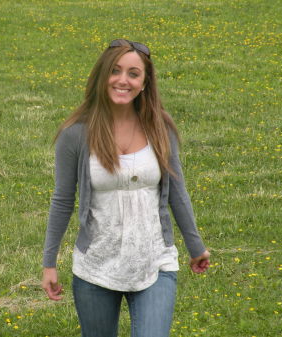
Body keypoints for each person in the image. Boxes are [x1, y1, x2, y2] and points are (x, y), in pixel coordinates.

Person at [41, 39, 210, 337]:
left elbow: (177, 192)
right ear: (102, 76)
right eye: (116, 71)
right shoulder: (76, 134)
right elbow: (63, 200)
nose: (123, 80)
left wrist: (196, 246)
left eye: (133, 74)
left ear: (144, 83)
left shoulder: (160, 127)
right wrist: (49, 262)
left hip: (154, 262)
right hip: (96, 266)